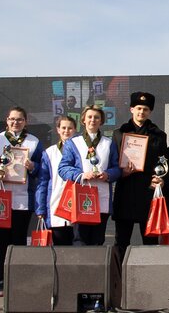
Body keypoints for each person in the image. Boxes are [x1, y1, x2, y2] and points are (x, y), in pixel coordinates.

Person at [0, 106, 44, 297]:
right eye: (12, 119)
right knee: (1, 240)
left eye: (19, 119)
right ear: (6, 120)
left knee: (18, 240)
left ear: (25, 121)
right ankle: (1, 282)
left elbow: (41, 168)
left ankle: (17, 280)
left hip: (23, 198)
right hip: (1, 196)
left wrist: (33, 166)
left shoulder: (33, 142)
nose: (15, 122)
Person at [111, 92, 167, 259]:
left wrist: (161, 178)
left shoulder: (158, 135)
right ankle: (118, 278)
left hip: (148, 191)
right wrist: (121, 172)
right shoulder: (119, 133)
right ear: (131, 109)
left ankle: (150, 277)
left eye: (145, 109)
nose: (141, 112)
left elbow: (163, 161)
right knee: (121, 240)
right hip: (125, 190)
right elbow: (113, 163)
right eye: (138, 108)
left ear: (149, 112)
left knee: (150, 240)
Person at [59, 105, 121, 245]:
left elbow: (117, 168)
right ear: (83, 120)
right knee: (80, 240)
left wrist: (108, 175)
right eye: (90, 117)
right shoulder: (73, 143)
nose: (93, 120)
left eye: (97, 117)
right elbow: (63, 168)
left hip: (102, 198)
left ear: (101, 121)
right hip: (81, 197)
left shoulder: (109, 143)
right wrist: (81, 175)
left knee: (98, 240)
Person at [36, 116, 78, 246]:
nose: (67, 131)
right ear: (58, 130)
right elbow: (43, 182)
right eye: (63, 128)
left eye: (70, 128)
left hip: (77, 204)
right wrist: (41, 209)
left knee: (78, 246)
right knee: (59, 247)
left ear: (75, 130)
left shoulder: (82, 150)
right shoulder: (49, 152)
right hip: (56, 205)